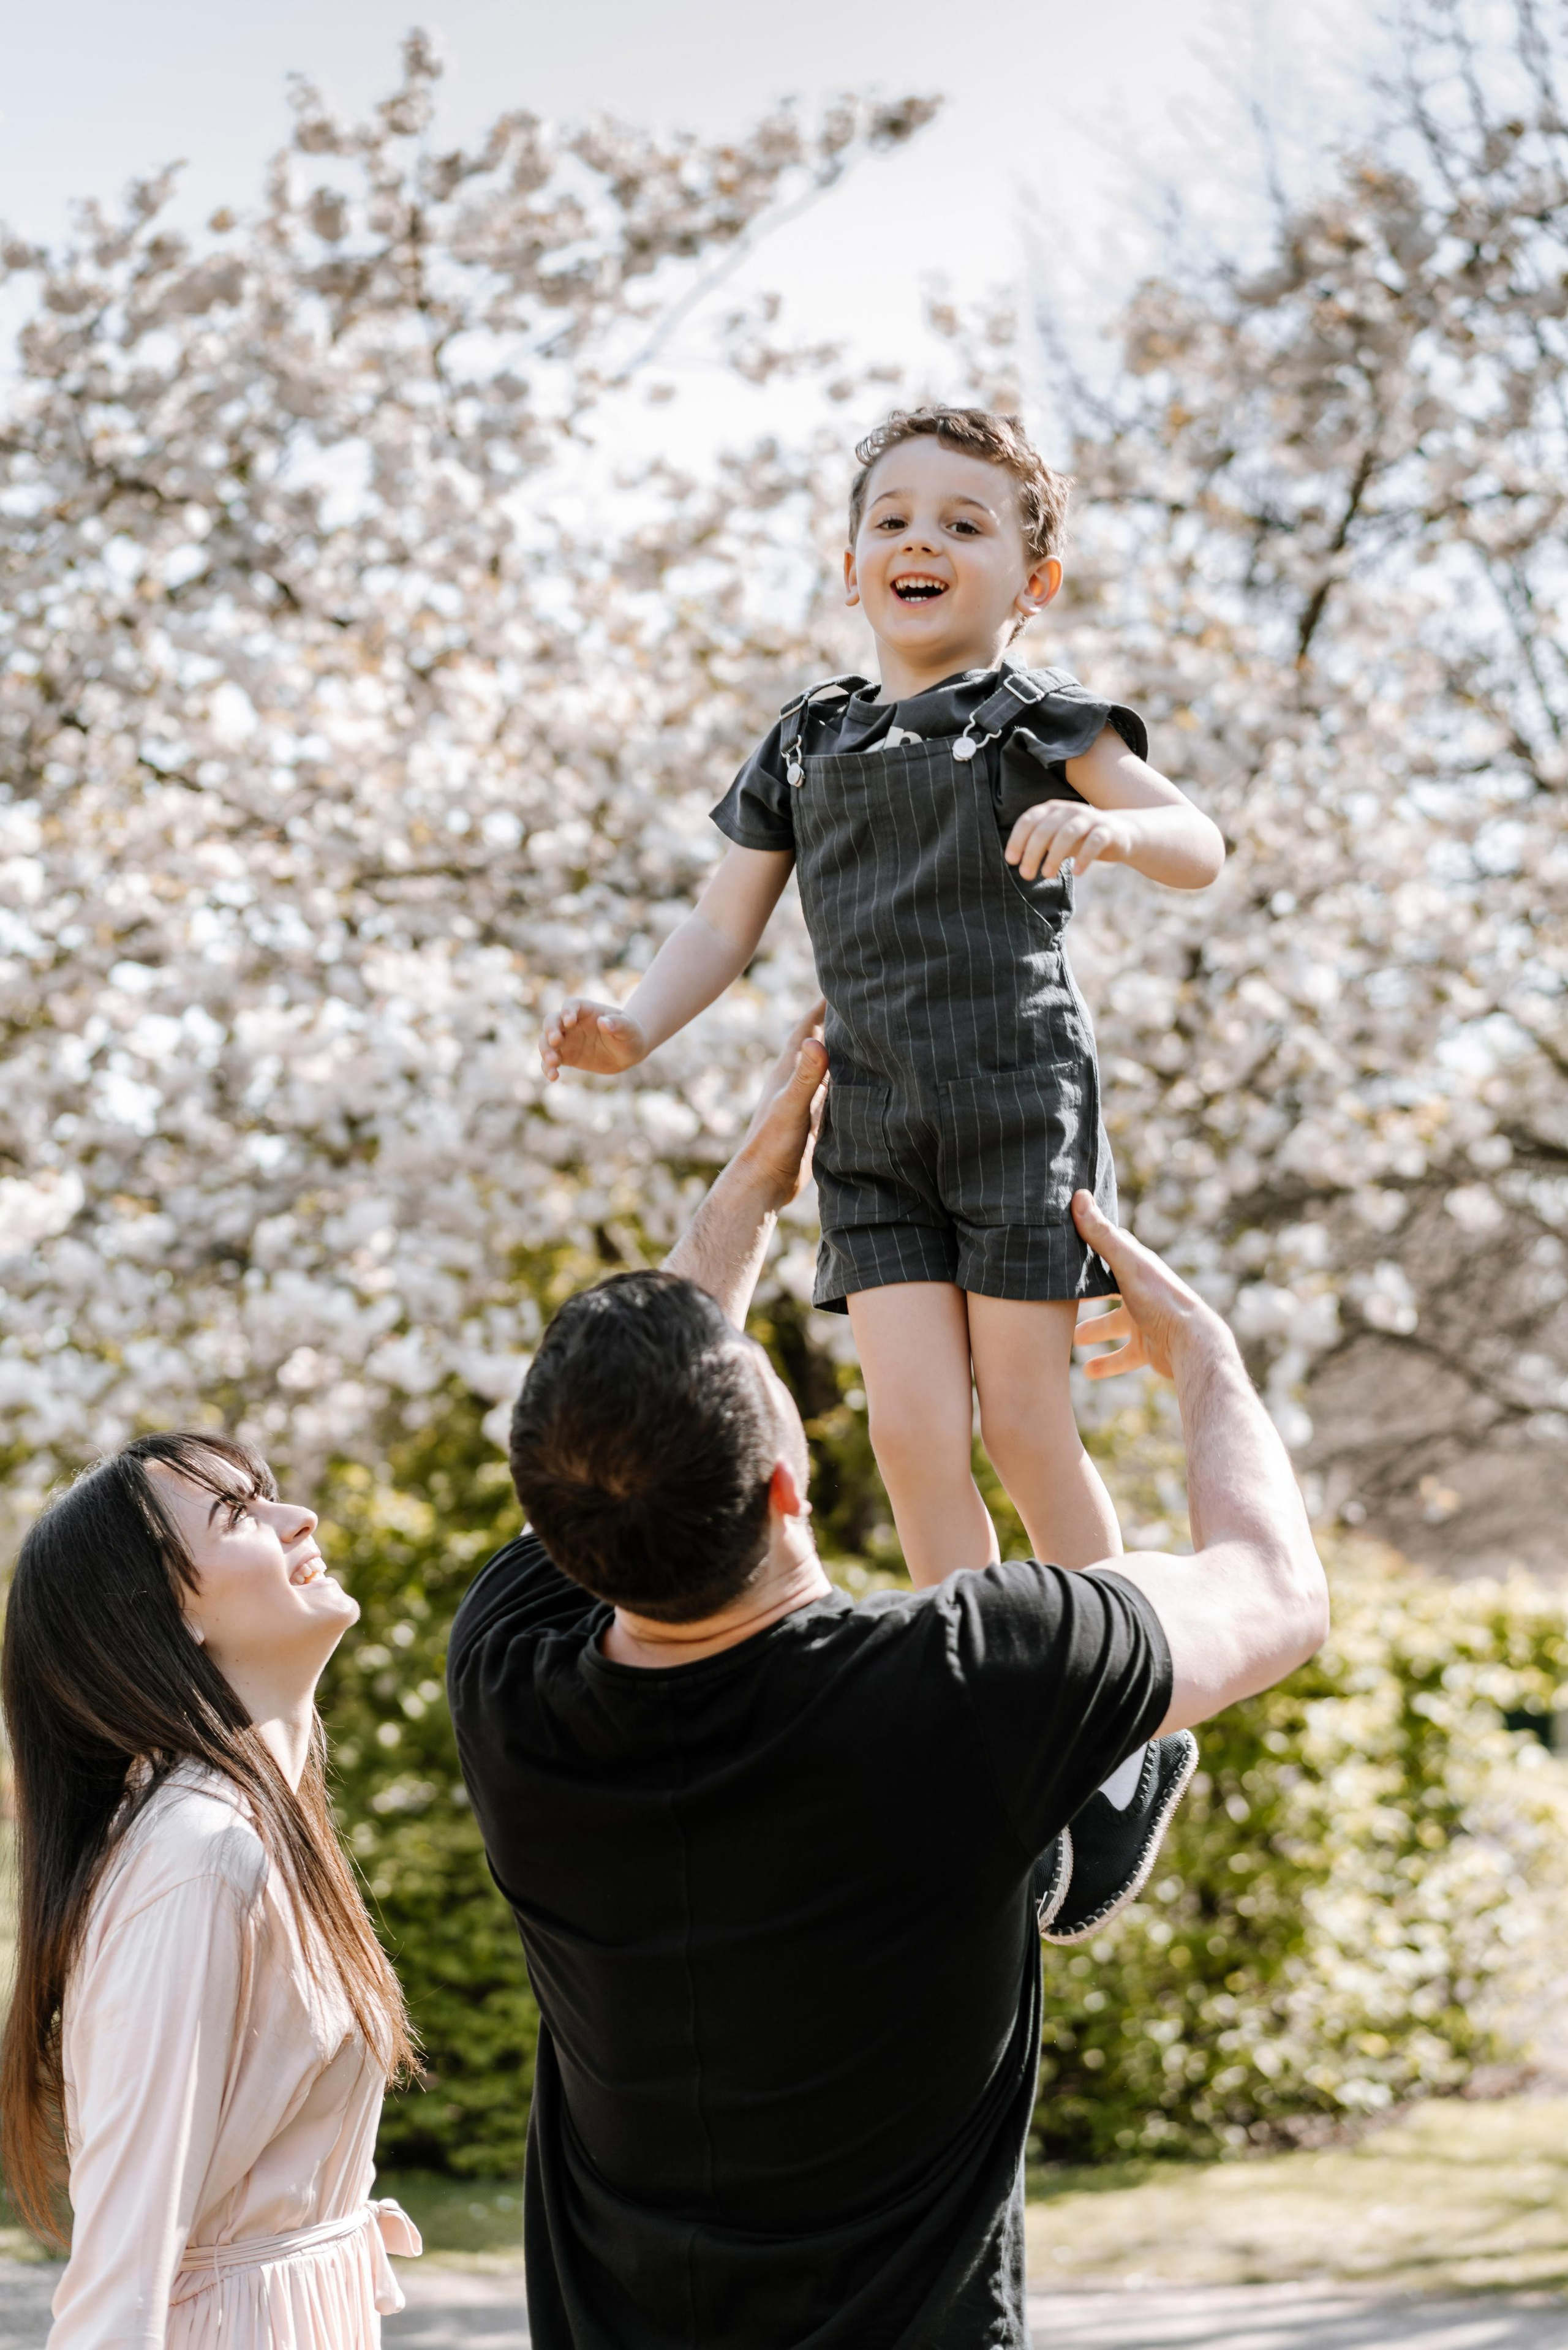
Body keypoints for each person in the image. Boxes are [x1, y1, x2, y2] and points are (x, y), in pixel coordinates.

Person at [448, 1012, 1328, 2350]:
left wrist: (747, 1197)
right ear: (785, 1486)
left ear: (558, 1536)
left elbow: (618, 1440)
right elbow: (1274, 1587)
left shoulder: (509, 1690)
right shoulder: (966, 1681)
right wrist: (1205, 1358)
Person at [538, 404, 1227, 1941]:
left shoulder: (1040, 722)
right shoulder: (804, 741)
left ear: (1031, 581)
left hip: (1014, 1105)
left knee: (1024, 1420)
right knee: (913, 1432)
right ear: (849, 562)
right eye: (893, 518)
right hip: (873, 1123)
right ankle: (980, 1738)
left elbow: (1198, 841)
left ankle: (1125, 1721)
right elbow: (720, 925)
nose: (922, 540)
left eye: (965, 524)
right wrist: (630, 1029)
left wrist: (1108, 834)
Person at [0, 1432, 423, 2348]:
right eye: (238, 1514)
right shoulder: (198, 1856)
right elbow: (121, 2269)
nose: (299, 1516)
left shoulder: (256, 1827)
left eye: (266, 1492)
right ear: (162, 1616)